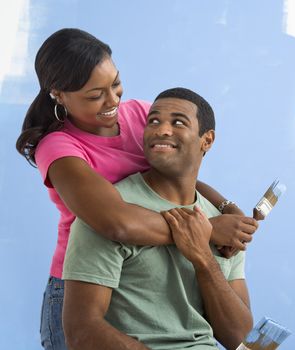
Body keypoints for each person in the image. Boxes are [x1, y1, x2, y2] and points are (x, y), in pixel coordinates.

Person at [15, 28, 258, 350]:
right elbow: (115, 222)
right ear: (59, 94)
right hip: (85, 277)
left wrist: (225, 206)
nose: (113, 101)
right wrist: (206, 231)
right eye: (94, 95)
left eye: (115, 84)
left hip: (151, 263)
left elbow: (179, 170)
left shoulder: (142, 114)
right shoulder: (58, 148)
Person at [62, 87, 254, 350]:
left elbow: (240, 340)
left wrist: (204, 259)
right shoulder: (108, 213)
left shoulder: (223, 225)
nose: (162, 130)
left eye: (178, 122)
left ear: (206, 140)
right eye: (153, 121)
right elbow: (82, 332)